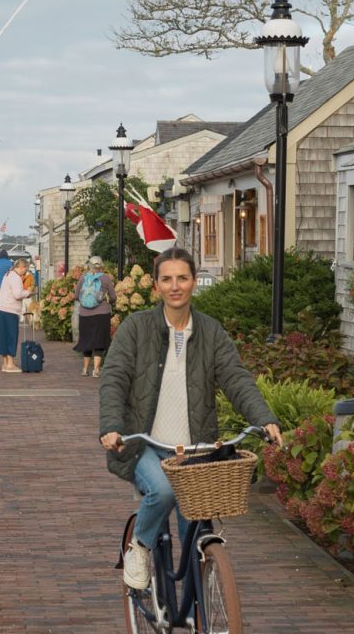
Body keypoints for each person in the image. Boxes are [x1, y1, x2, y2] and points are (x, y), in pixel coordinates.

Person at [99, 247, 281, 590]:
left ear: (194, 282)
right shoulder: (136, 328)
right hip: (146, 446)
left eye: (182, 278)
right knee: (164, 491)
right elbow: (114, 379)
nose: (175, 286)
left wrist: (264, 418)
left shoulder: (211, 332)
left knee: (196, 532)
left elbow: (236, 378)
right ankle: (139, 545)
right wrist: (111, 426)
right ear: (156, 286)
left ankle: (205, 631)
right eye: (166, 279)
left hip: (196, 450)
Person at [0, 254, 31, 373]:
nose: (24, 273)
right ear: (22, 267)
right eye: (25, 270)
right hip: (9, 310)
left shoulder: (8, 274)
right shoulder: (15, 277)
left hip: (0, 308)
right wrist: (28, 292)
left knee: (3, 337)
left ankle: (5, 363)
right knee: (11, 336)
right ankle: (10, 364)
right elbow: (17, 294)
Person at [74, 256, 116, 377]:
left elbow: (77, 296)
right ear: (101, 266)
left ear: (89, 266)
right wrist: (108, 300)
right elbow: (113, 297)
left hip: (85, 314)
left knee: (86, 340)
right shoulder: (106, 278)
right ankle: (96, 370)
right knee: (99, 341)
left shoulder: (83, 278)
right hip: (102, 313)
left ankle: (85, 369)